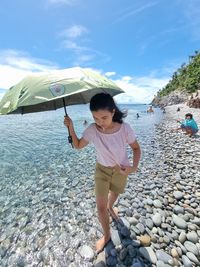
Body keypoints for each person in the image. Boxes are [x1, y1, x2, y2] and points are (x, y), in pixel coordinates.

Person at [64, 93, 141, 253]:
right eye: (96, 118)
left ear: (113, 112)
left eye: (104, 118)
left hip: (121, 169)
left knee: (115, 192)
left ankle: (111, 207)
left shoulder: (125, 128)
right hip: (101, 171)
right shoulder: (93, 130)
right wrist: (71, 128)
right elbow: (78, 145)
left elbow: (136, 148)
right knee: (100, 208)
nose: (100, 123)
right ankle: (106, 235)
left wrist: (133, 168)